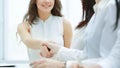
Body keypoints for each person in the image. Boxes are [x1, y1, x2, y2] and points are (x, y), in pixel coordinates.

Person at [31, 0, 120, 68]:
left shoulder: (114, 7)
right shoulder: (97, 13)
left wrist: (63, 65)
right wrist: (58, 50)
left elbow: (112, 61)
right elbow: (88, 55)